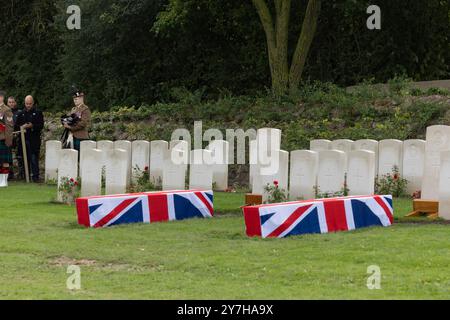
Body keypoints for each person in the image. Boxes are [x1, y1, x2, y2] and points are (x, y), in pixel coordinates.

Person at [15, 95, 44, 182]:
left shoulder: (38, 112)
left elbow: (41, 125)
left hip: (34, 140)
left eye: (30, 103)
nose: (28, 105)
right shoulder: (21, 113)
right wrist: (22, 127)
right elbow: (16, 126)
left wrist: (32, 126)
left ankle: (35, 177)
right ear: (24, 103)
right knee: (24, 159)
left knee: (34, 158)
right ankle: (25, 177)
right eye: (27, 103)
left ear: (33, 103)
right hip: (23, 140)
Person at [63, 86, 91, 152]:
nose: (74, 100)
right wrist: (65, 122)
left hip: (81, 137)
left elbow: (83, 123)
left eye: (76, 99)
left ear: (81, 98)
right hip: (71, 136)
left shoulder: (85, 109)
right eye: (74, 99)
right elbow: (70, 120)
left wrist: (70, 127)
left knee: (79, 157)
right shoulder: (73, 109)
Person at [0, 90, 14, 178]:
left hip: (3, 138)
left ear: (2, 98)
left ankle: (4, 180)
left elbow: (9, 126)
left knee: (4, 161)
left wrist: (8, 140)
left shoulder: (7, 109)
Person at [7, 96, 20, 180]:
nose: (11, 103)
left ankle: (21, 174)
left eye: (13, 102)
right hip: (6, 138)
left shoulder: (19, 113)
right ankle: (8, 174)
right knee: (7, 157)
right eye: (10, 102)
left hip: (17, 138)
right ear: (7, 103)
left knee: (18, 156)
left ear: (15, 103)